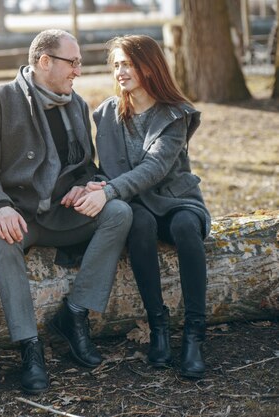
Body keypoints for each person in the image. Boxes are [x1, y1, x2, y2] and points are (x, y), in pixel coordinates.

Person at [0, 29, 133, 394]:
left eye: (79, 64)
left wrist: (88, 184)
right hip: (18, 212)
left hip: (63, 211)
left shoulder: (76, 104)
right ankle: (30, 348)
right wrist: (1, 207)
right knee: (5, 239)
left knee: (118, 212)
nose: (77, 71)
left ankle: (74, 315)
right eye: (72, 63)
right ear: (44, 62)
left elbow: (85, 164)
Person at [91, 35, 211, 378]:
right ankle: (158, 329)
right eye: (116, 65)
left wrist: (110, 189)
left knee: (186, 227)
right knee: (137, 223)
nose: (120, 71)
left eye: (126, 63)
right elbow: (107, 166)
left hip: (176, 199)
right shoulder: (107, 114)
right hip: (135, 203)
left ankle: (193, 335)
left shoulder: (175, 114)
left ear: (149, 65)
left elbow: (155, 168)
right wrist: (97, 183)